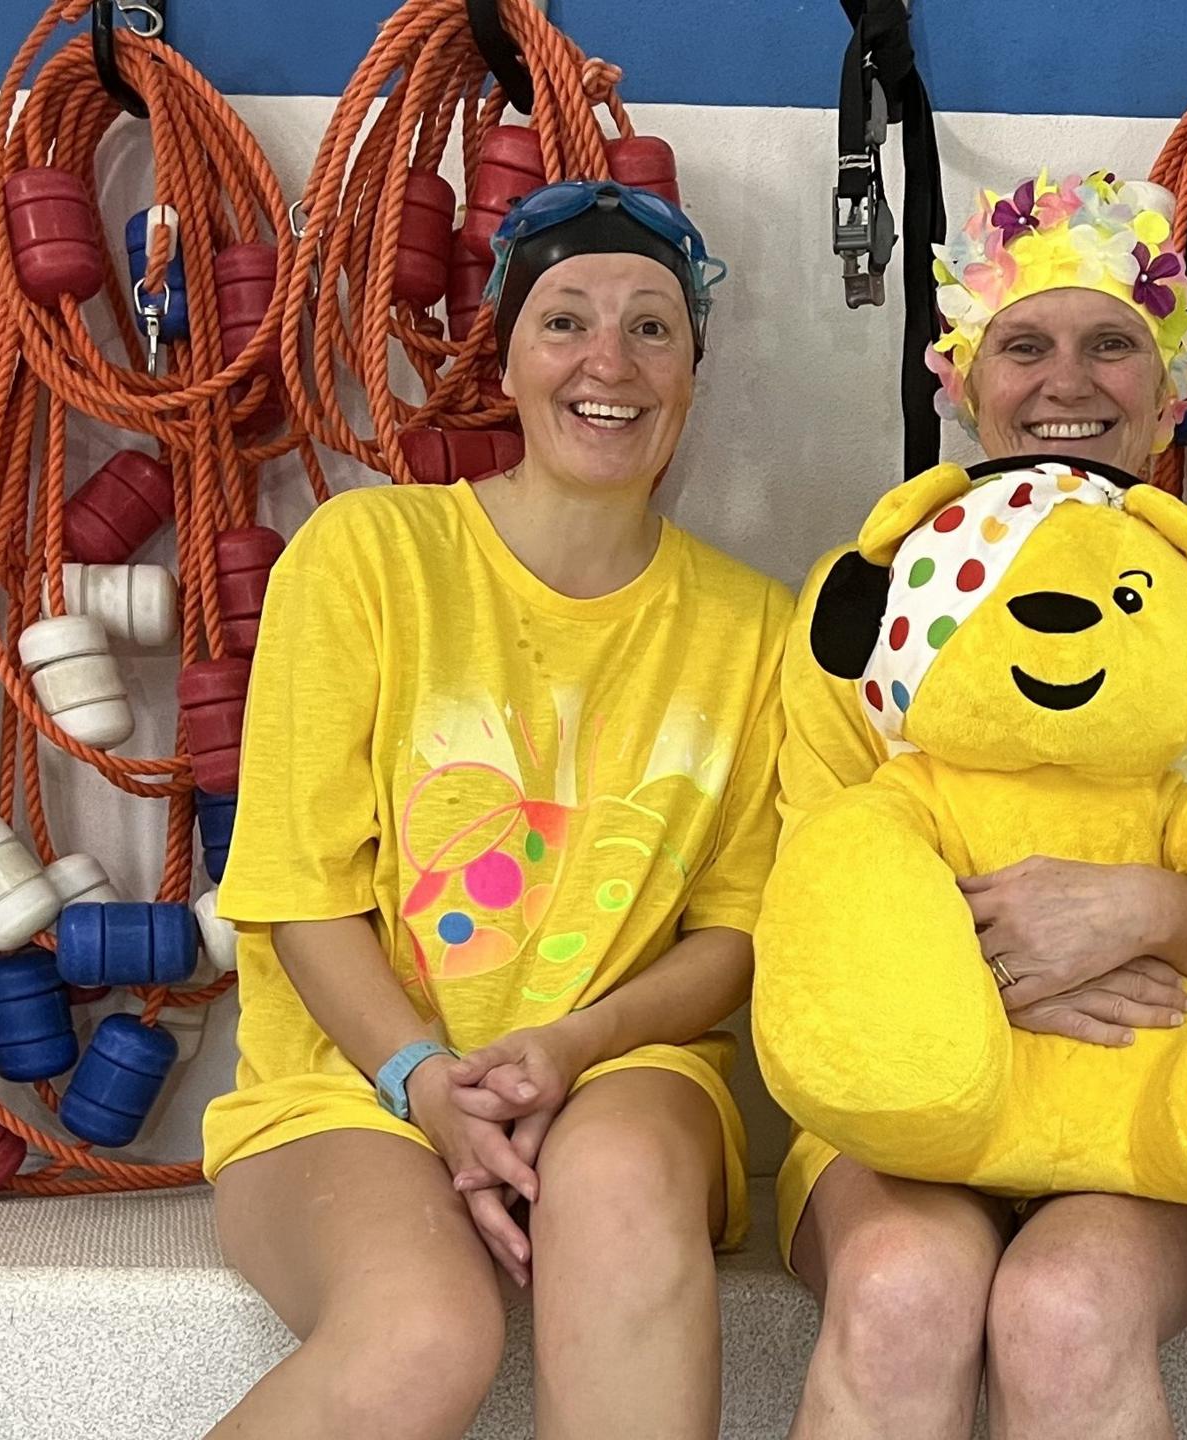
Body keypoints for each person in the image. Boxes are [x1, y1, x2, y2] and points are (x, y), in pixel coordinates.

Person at [199, 181, 790, 1440]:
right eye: (565, 321)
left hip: (624, 1067)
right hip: (350, 1092)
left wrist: (574, 1048)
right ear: (508, 363)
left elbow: (735, 934)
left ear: (692, 373)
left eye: (652, 328)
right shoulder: (366, 556)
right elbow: (297, 886)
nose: (608, 360)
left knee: (623, 1182)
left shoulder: (757, 628)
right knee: (426, 1334)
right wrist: (423, 1081)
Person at [771, 169, 1187, 1440]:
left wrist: (1139, 910)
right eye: (1023, 345)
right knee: (904, 1290)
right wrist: (1016, 961)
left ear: (1171, 386)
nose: (1064, 383)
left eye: (1110, 346)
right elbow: (822, 914)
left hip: (1159, 1099)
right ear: (964, 382)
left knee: (1067, 1309)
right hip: (900, 1102)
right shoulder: (855, 599)